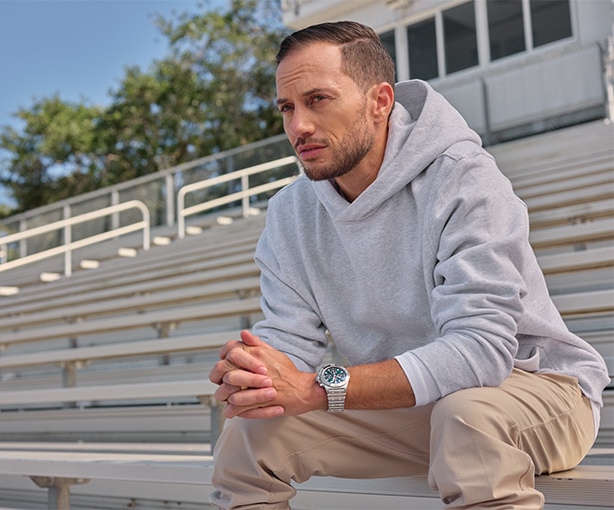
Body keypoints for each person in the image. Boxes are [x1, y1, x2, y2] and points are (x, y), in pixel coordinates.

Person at [208, 21, 610, 509]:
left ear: (380, 102)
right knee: (248, 436)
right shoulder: (290, 213)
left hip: (538, 392)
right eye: (287, 108)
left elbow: (480, 352)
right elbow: (289, 345)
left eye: (318, 100)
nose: (299, 127)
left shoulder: (464, 179)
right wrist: (254, 376)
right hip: (416, 407)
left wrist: (320, 387)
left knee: (466, 418)